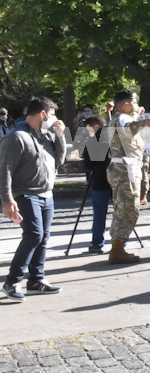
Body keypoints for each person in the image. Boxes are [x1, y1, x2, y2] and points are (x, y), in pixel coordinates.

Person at [0, 97, 66, 300]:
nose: (55, 118)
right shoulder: (16, 137)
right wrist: (7, 198)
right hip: (25, 193)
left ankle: (36, 279)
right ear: (43, 114)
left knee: (43, 237)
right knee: (34, 235)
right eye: (53, 114)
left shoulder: (45, 135)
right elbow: (5, 170)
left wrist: (60, 137)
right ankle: (12, 282)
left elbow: (60, 161)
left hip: (46, 194)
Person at [106, 90, 150, 265]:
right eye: (134, 102)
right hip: (125, 168)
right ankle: (118, 249)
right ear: (126, 104)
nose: (136, 105)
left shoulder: (122, 117)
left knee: (123, 207)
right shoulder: (122, 119)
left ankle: (118, 247)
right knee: (128, 208)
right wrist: (144, 122)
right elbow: (127, 130)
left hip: (123, 167)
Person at [81, 116, 111, 254]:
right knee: (120, 213)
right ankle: (120, 243)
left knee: (99, 214)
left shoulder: (93, 141)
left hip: (100, 181)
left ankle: (97, 244)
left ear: (96, 127)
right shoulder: (116, 136)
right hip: (116, 180)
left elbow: (88, 165)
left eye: (88, 129)